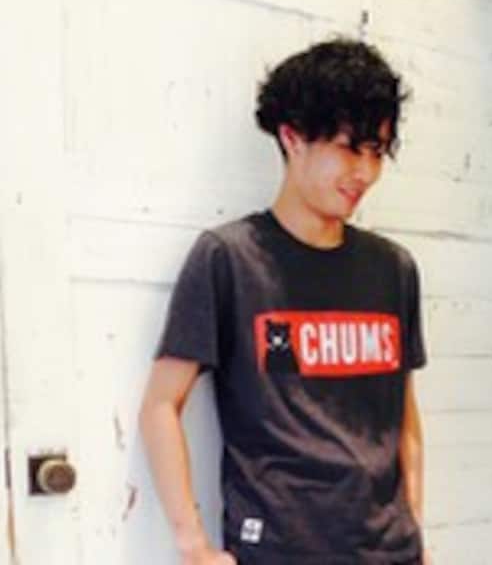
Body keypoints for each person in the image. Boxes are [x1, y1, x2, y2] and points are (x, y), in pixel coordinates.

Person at [139, 37, 433, 565]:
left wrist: (415, 527)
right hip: (280, 548)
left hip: (391, 552)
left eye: (377, 152)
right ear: (292, 137)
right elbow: (161, 405)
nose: (365, 173)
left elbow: (404, 421)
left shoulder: (394, 269)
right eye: (350, 148)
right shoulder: (229, 259)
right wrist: (193, 546)